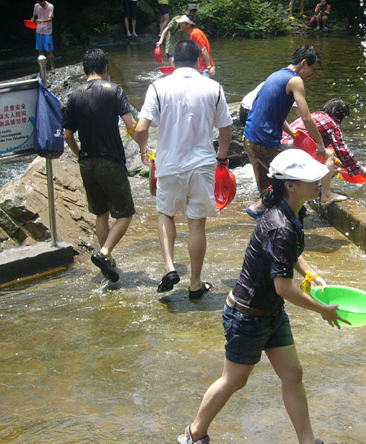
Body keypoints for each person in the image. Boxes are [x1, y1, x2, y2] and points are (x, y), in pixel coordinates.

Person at [176, 148, 349, 444]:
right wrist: (322, 309)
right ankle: (194, 434)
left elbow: (288, 255)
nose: (318, 183)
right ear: (290, 186)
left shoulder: (292, 211)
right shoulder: (280, 226)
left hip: (270, 312)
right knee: (234, 380)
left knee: (292, 374)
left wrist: (309, 271)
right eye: (311, 179)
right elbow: (283, 287)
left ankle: (307, 441)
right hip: (247, 315)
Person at [135, 40, 232, 298]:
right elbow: (226, 130)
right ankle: (196, 284)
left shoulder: (158, 87)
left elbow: (141, 128)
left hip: (169, 163)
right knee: (197, 225)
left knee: (166, 214)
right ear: (199, 61)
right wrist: (221, 157)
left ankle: (169, 267)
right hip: (202, 164)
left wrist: (144, 151)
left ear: (172, 62)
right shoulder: (214, 88)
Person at [63, 48, 142, 282]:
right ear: (106, 68)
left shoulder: (74, 95)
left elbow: (67, 135)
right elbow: (129, 123)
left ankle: (109, 262)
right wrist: (144, 147)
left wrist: (80, 155)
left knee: (101, 213)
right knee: (126, 213)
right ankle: (105, 252)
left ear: (84, 69)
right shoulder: (114, 90)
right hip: (110, 160)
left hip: (87, 162)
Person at [243, 45, 323, 218]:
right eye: (313, 69)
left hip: (249, 138)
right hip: (264, 142)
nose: (312, 74)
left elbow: (270, 112)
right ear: (303, 63)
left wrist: (292, 132)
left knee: (267, 183)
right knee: (293, 176)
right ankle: (259, 208)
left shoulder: (276, 75)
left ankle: (269, 216)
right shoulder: (295, 81)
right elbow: (306, 117)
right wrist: (320, 143)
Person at [281, 98, 366, 204]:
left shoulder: (314, 116)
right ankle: (326, 194)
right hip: (293, 148)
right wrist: (360, 170)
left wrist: (341, 164)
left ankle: (311, 188)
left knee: (329, 156)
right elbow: (342, 150)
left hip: (281, 146)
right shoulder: (332, 123)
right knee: (329, 155)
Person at [31, 0, 55, 72]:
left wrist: (41, 20)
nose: (40, 4)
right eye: (39, 3)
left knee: (48, 50)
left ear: (44, 0)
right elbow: (34, 16)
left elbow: (50, 18)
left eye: (41, 2)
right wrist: (31, 22)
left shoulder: (50, 6)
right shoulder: (36, 6)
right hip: (39, 30)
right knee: (40, 50)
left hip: (47, 30)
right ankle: (42, 68)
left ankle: (52, 67)